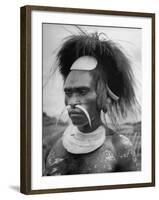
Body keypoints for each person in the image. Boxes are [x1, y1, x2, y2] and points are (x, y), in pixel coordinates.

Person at [43, 32, 138, 176]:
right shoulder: (51, 143)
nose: (73, 102)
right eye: (68, 93)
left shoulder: (120, 148)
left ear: (105, 98)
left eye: (82, 92)